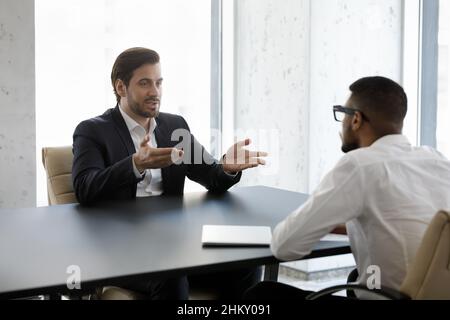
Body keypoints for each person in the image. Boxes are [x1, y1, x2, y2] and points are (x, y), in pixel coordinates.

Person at [72, 47, 267, 299]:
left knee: (247, 260)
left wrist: (226, 169)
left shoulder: (175, 126)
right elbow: (85, 188)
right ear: (121, 88)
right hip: (122, 250)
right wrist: (135, 164)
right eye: (144, 83)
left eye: (159, 82)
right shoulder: (92, 131)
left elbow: (211, 177)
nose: (155, 92)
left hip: (174, 242)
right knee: (171, 273)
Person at [245, 76, 450, 300]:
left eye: (342, 114)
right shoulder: (437, 160)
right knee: (356, 278)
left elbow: (284, 247)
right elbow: (408, 220)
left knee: (263, 294)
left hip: (395, 297)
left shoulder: (360, 165)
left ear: (356, 120)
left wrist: (307, 222)